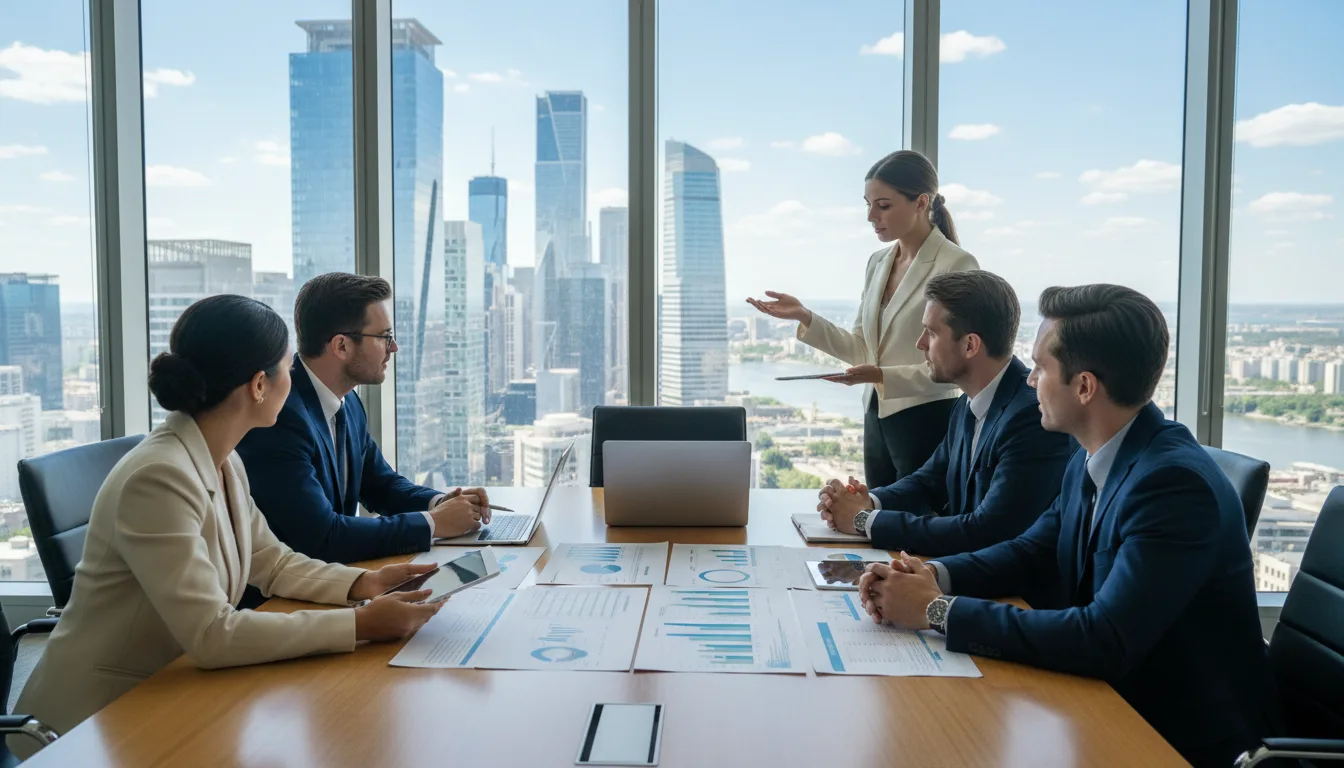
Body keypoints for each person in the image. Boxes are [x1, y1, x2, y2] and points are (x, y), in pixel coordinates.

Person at [856, 285, 1280, 766]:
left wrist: (937, 611)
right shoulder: (1093, 456)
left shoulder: (1173, 486)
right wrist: (934, 577)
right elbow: (1029, 551)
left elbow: (1104, 639)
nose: (1029, 379)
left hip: (1181, 739)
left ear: (1084, 387)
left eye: (1040, 367)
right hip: (1109, 704)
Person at [10, 296, 445, 758]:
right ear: (259, 385)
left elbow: (271, 562)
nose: (293, 380)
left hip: (176, 690)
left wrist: (364, 582)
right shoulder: (158, 477)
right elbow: (212, 636)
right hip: (96, 725)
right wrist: (359, 624)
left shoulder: (222, 457)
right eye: (286, 369)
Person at [747, 150, 979, 488]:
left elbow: (959, 368)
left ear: (920, 203)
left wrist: (881, 375)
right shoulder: (877, 262)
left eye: (883, 206)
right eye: (868, 204)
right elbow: (860, 348)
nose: (871, 216)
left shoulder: (957, 265)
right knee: (879, 526)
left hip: (927, 420)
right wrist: (804, 316)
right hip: (876, 419)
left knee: (918, 529)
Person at [815, 270, 1076, 556]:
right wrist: (865, 502)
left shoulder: (1029, 417)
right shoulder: (967, 403)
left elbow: (986, 531)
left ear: (970, 345)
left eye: (931, 332)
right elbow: (928, 482)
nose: (920, 344)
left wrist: (863, 520)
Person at [237, 273, 487, 565]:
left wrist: (443, 503)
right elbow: (322, 537)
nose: (393, 348)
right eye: (384, 337)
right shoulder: (281, 417)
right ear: (341, 346)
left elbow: (379, 484)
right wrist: (434, 523)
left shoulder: (348, 401)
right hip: (282, 600)